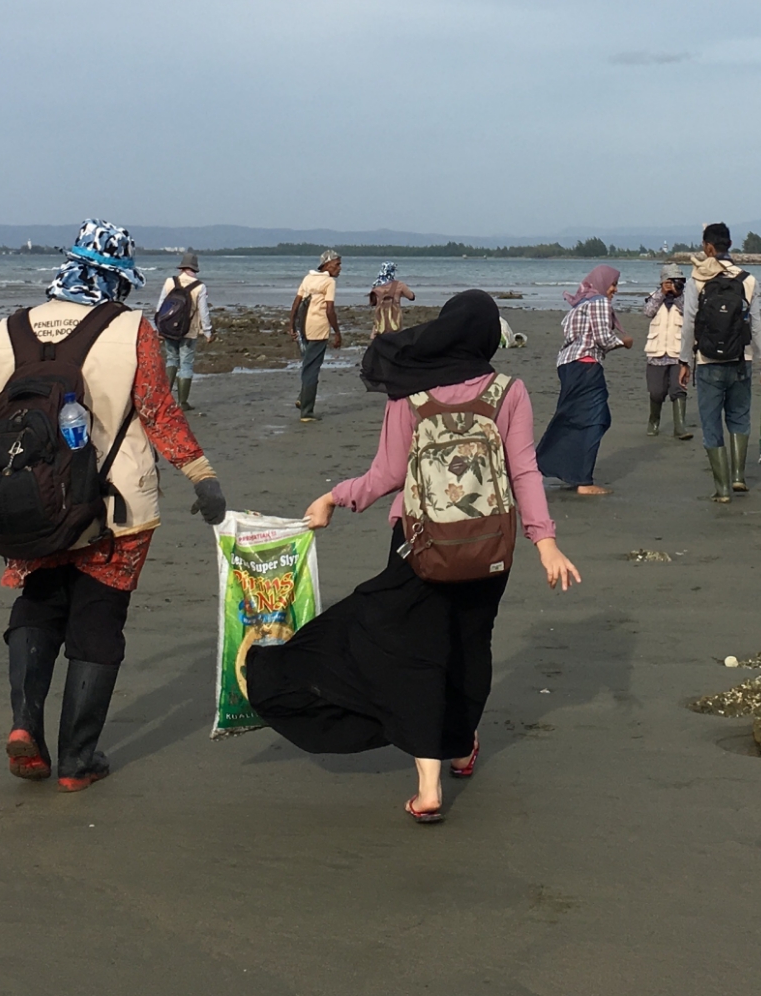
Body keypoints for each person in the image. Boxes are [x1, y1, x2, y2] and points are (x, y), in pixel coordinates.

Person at [250, 291, 581, 823]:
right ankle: (461, 746)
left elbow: (386, 476)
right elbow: (524, 472)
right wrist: (546, 544)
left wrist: (336, 496)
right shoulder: (508, 391)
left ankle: (428, 788)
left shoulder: (411, 392)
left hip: (420, 546)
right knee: (471, 645)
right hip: (490, 548)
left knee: (415, 652)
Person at [0, 220, 227, 791]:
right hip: (116, 507)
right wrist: (202, 476)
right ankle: (78, 761)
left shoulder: (12, 328)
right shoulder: (131, 328)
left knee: (40, 599)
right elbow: (157, 411)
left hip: (30, 500)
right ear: (120, 276)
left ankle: (26, 726)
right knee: (99, 616)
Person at [679, 222, 761, 503]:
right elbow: (755, 326)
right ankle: (738, 476)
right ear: (729, 245)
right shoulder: (748, 279)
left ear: (708, 247)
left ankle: (722, 489)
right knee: (739, 417)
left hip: (707, 361)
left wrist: (684, 361)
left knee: (711, 422)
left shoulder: (697, 279)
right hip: (741, 359)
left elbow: (688, 325)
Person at [535, 264, 627, 496]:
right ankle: (582, 480)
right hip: (585, 366)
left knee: (572, 417)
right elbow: (603, 338)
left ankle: (547, 467)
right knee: (594, 419)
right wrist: (624, 342)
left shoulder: (579, 305)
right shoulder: (598, 303)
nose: (614, 289)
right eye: (613, 284)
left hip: (570, 366)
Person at [152, 251, 211, 407]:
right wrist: (207, 331)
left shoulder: (170, 282)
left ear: (182, 267)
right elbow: (203, 311)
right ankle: (182, 402)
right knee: (186, 364)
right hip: (189, 331)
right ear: (195, 268)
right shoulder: (200, 287)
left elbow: (161, 305)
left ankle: (165, 398)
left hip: (168, 328)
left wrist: (158, 327)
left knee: (171, 359)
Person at [290, 251, 343, 422]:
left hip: (304, 326)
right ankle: (307, 411)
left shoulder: (308, 278)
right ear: (327, 265)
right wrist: (337, 332)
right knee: (312, 368)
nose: (339, 268)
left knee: (308, 364)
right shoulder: (329, 282)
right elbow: (329, 310)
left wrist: (292, 325)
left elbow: (296, 304)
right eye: (337, 264)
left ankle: (302, 398)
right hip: (319, 328)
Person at [640, 266, 691, 439]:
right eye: (669, 282)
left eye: (676, 282)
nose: (672, 285)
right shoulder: (654, 296)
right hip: (656, 352)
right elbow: (648, 312)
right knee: (656, 391)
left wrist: (677, 294)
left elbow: (691, 314)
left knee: (678, 389)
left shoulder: (685, 299)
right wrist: (662, 293)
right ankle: (654, 421)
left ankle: (680, 427)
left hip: (678, 353)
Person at [368, 262, 416, 340]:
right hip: (395, 319)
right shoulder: (399, 285)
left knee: (376, 338)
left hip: (381, 321)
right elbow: (411, 297)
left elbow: (372, 303)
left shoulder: (376, 287)